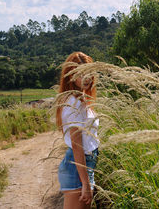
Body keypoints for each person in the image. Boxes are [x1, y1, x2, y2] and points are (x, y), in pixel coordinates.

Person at [56, 52, 99, 209]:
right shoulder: (74, 103)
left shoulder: (80, 100)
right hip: (77, 170)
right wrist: (86, 183)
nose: (86, 78)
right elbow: (77, 145)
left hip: (83, 167)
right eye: (80, 74)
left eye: (89, 72)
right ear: (70, 76)